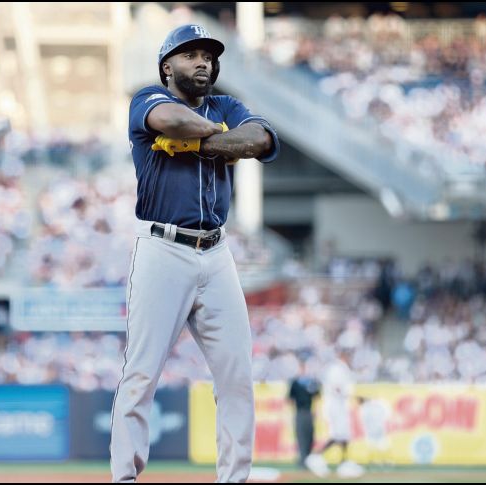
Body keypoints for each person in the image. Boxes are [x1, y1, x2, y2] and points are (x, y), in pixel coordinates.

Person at [110, 23, 280, 483]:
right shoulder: (147, 98)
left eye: (208, 54)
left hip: (217, 253)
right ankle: (124, 478)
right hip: (163, 249)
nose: (202, 61)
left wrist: (197, 143)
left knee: (237, 377)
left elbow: (261, 140)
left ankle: (234, 478)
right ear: (168, 66)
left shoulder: (226, 105)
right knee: (141, 375)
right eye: (190, 55)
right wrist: (223, 142)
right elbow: (173, 122)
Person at [304, 349, 364, 479]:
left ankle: (344, 463)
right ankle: (315, 456)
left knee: (345, 434)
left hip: (340, 405)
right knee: (337, 434)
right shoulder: (337, 369)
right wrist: (354, 396)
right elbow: (337, 388)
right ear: (343, 355)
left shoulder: (342, 368)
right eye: (349, 355)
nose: (350, 358)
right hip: (335, 405)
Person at [288, 359, 321, 468]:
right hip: (300, 412)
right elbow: (290, 399)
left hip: (309, 412)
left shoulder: (311, 382)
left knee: (310, 436)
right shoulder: (295, 382)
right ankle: (303, 460)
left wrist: (316, 410)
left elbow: (316, 396)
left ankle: (308, 458)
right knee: (301, 436)